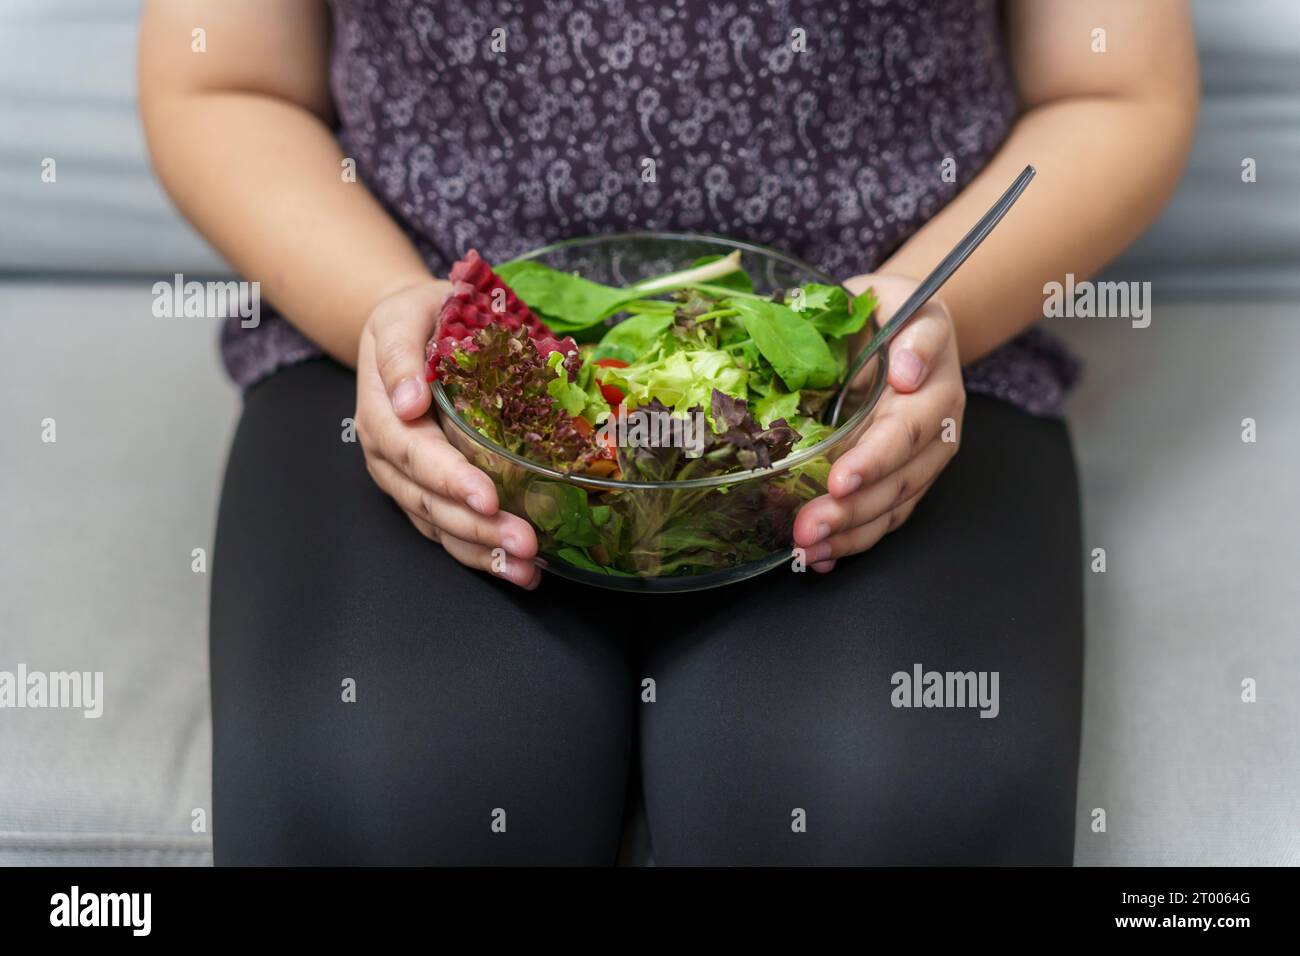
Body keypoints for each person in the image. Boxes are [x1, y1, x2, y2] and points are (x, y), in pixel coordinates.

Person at [139, 0, 1197, 864]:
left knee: (894, 801)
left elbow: (1114, 86)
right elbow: (223, 79)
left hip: (893, 374)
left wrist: (912, 315)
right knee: (383, 786)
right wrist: (391, 312)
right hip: (409, 347)